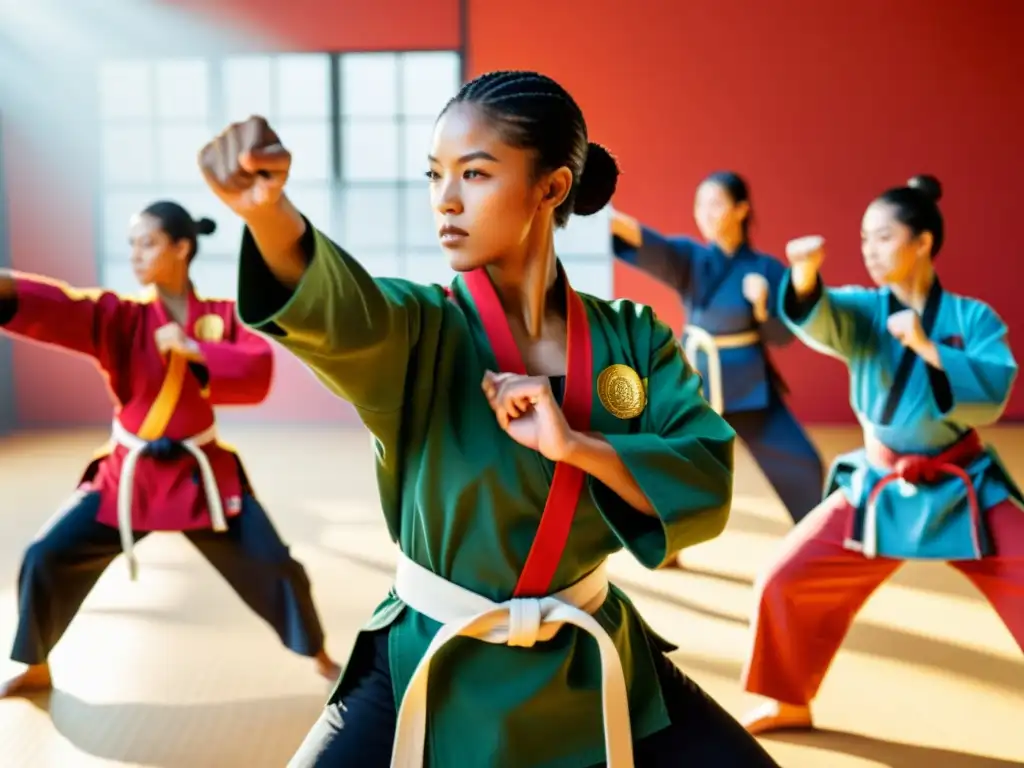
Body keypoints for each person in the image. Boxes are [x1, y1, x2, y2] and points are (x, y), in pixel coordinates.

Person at [200, 71, 781, 767]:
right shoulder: (420, 329)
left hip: (589, 652)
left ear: (552, 187)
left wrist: (579, 446)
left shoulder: (633, 340)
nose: (444, 200)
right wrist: (269, 214)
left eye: (474, 174)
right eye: (434, 174)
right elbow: (345, 316)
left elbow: (705, 480)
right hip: (428, 654)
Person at [0, 201, 339, 698]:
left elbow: (257, 367)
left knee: (275, 563)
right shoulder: (123, 317)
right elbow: (63, 307)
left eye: (149, 242)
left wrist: (194, 348)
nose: (136, 254)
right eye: (132, 244)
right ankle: (34, 664)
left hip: (201, 478)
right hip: (129, 478)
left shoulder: (223, 317)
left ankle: (321, 656)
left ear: (182, 248)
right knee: (46, 555)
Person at [740, 175, 1023, 735]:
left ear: (922, 242)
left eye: (884, 237)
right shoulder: (864, 311)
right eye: (864, 239)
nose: (869, 250)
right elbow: (818, 316)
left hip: (961, 482)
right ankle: (786, 698)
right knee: (783, 578)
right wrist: (803, 274)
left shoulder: (973, 320)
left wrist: (926, 347)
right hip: (879, 484)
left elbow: (993, 392)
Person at [610, 174, 824, 537]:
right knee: (668, 464)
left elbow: (782, 336)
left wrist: (761, 308)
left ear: (742, 210)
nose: (705, 214)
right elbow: (648, 242)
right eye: (700, 205)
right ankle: (662, 542)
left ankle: (819, 537)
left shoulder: (766, 269)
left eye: (715, 204)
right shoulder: (692, 260)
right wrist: (603, 212)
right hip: (696, 383)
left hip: (750, 385)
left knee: (802, 463)